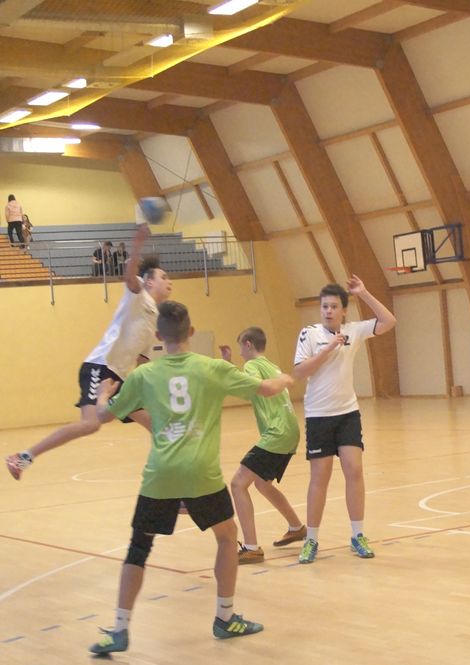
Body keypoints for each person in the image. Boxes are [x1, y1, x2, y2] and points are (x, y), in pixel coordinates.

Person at [88, 301, 294, 655]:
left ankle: (120, 629)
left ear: (158, 336)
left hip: (160, 476)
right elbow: (267, 389)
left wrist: (104, 394)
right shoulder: (211, 367)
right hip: (202, 475)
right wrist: (286, 378)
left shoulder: (143, 375)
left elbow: (103, 416)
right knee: (227, 538)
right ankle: (225, 618)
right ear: (192, 332)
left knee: (139, 548)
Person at [5, 224, 170, 480]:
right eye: (164, 277)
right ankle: (22, 457)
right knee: (90, 424)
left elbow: (141, 359)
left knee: (152, 422)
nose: (169, 281)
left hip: (119, 378)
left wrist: (145, 387)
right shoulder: (138, 295)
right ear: (149, 281)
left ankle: (172, 473)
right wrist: (137, 244)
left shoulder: (154, 317)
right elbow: (129, 277)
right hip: (100, 366)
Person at [292, 276, 396, 563]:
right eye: (324, 306)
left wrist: (364, 292)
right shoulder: (309, 334)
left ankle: (357, 535)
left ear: (343, 310)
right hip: (318, 416)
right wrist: (327, 349)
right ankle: (311, 539)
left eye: (334, 306)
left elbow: (388, 321)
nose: (328, 311)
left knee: (354, 470)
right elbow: (300, 372)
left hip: (347, 413)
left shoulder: (354, 331)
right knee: (320, 478)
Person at [219, 327, 305, 564]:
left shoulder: (252, 366)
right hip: (290, 431)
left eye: (240, 348)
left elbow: (251, 387)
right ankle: (296, 527)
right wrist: (229, 365)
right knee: (262, 483)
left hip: (277, 432)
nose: (240, 353)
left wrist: (226, 367)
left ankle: (251, 548)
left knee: (238, 484)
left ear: (248, 344)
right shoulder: (272, 366)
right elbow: (250, 390)